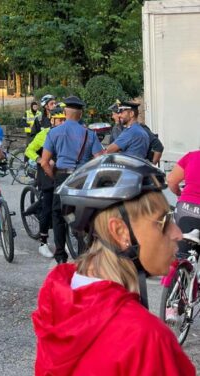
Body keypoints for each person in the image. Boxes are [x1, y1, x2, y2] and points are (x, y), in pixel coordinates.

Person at [33, 153, 195, 375]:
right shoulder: (145, 338)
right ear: (120, 232)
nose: (177, 233)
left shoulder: (58, 303)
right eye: (164, 221)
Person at [40, 96, 104, 264]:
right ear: (81, 113)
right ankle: (85, 253)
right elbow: (99, 159)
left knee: (58, 215)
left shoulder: (54, 132)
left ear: (65, 112)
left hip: (62, 176)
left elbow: (44, 162)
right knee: (83, 214)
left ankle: (60, 255)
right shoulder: (89, 134)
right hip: (83, 178)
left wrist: (55, 178)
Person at [24, 104, 66, 258]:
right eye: (59, 120)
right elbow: (29, 149)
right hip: (46, 172)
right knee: (48, 208)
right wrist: (40, 159)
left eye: (64, 120)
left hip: (61, 173)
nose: (62, 123)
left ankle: (62, 240)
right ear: (52, 120)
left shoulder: (66, 134)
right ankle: (43, 242)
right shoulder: (44, 134)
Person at [167, 149, 200, 256]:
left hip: (186, 208)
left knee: (181, 254)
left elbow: (171, 180)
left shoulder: (192, 156)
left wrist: (178, 194)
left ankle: (180, 268)